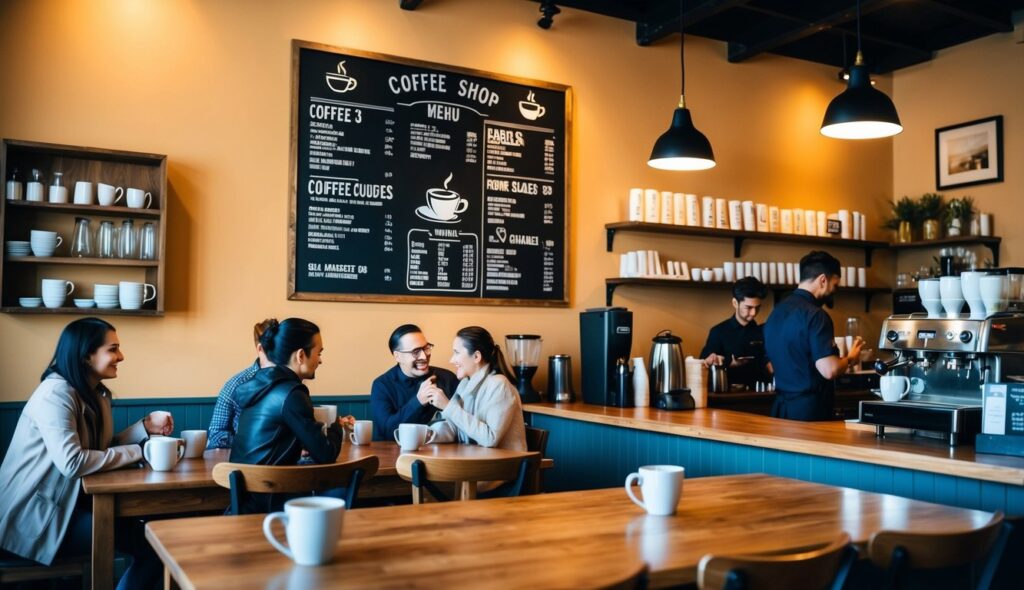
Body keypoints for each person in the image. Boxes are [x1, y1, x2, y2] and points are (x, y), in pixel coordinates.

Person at [0, 318, 173, 590]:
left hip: (65, 508)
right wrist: (140, 450)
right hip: (31, 519)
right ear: (85, 356)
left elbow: (97, 451)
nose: (121, 356)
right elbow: (73, 462)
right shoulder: (55, 394)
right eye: (113, 349)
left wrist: (144, 429)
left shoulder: (93, 393)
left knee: (160, 532)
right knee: (157, 543)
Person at [230, 318, 346, 512]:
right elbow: (325, 454)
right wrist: (337, 427)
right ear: (301, 355)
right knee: (344, 488)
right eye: (319, 353)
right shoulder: (291, 393)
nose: (320, 360)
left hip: (243, 500)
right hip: (271, 503)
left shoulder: (260, 386)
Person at [763, 251, 865, 421]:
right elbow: (829, 370)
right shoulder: (816, 315)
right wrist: (850, 359)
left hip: (780, 410)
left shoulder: (776, 313)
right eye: (835, 285)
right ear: (823, 280)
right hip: (809, 412)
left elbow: (773, 365)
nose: (834, 291)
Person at [423, 326, 526, 451]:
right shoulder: (464, 384)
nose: (451, 360)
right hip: (476, 462)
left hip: (503, 467)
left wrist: (448, 406)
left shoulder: (499, 385)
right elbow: (455, 427)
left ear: (476, 356)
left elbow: (490, 439)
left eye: (457, 352)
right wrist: (424, 435)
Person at [370, 324, 459, 441]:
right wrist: (418, 401)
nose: (424, 356)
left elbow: (463, 425)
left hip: (446, 454)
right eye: (415, 352)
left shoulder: (448, 378)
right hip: (397, 456)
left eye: (426, 348)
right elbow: (387, 432)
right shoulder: (382, 385)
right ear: (397, 356)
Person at [207, 318, 276, 449]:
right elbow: (216, 435)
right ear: (260, 349)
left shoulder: (291, 382)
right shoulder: (235, 385)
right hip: (244, 462)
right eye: (272, 349)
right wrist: (254, 440)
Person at [700, 277, 773, 389]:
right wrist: (727, 362)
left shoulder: (765, 331)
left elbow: (769, 361)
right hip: (727, 396)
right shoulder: (718, 332)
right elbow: (704, 364)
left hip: (760, 395)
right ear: (735, 303)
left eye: (757, 308)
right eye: (748, 308)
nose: (753, 313)